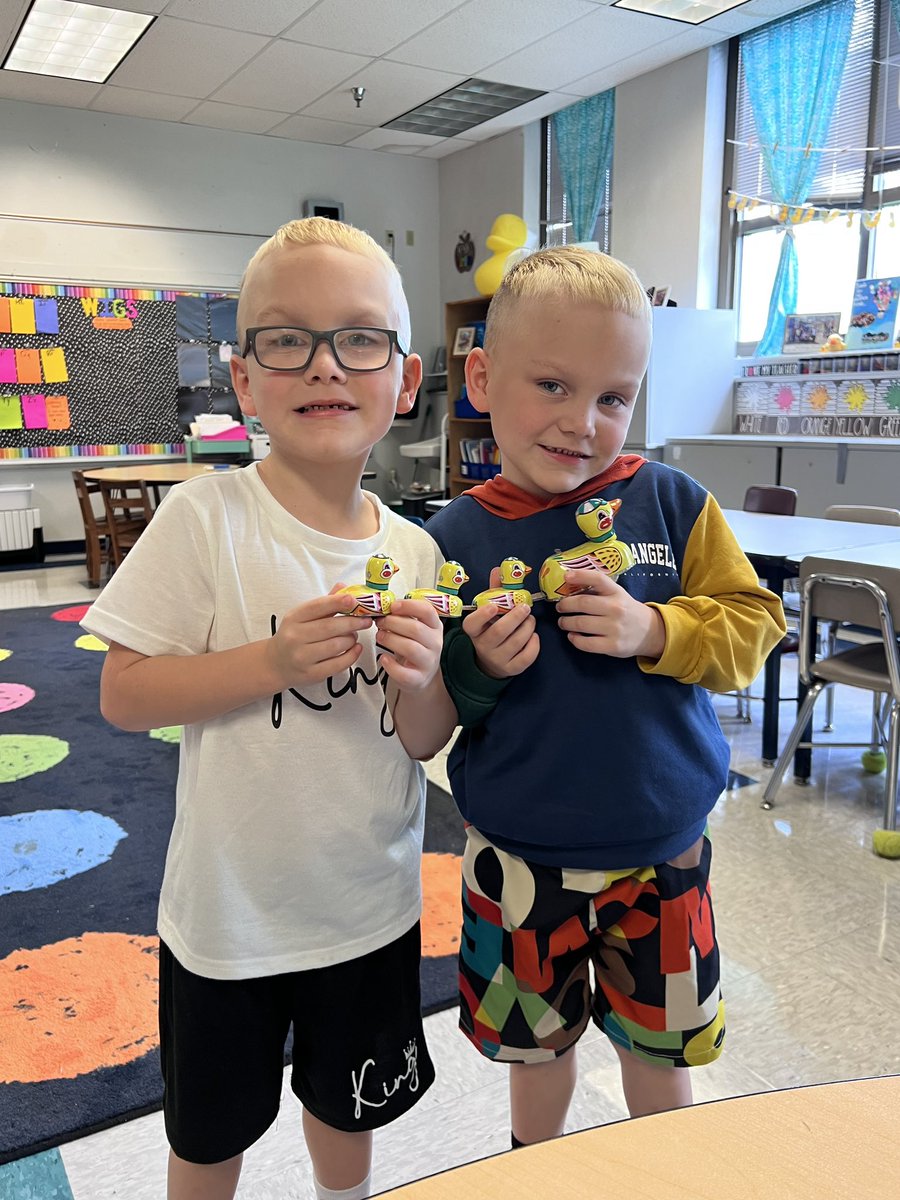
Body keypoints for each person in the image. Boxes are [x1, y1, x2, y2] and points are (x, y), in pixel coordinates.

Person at [82, 217, 457, 1200]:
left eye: (360, 338)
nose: (326, 365)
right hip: (230, 920)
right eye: (287, 340)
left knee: (351, 1109)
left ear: (404, 382)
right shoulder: (207, 518)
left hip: (369, 911)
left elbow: (420, 744)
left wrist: (425, 681)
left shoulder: (417, 551)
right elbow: (123, 694)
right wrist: (274, 659)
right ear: (245, 379)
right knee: (210, 1137)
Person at [425, 246, 786, 1148]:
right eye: (551, 384)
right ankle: (534, 1167)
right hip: (517, 859)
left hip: (663, 856)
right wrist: (476, 670)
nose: (581, 423)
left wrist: (656, 632)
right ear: (482, 377)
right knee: (536, 1052)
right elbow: (430, 708)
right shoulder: (451, 537)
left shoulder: (672, 503)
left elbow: (754, 625)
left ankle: (659, 1172)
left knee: (660, 1054)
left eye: (613, 398)